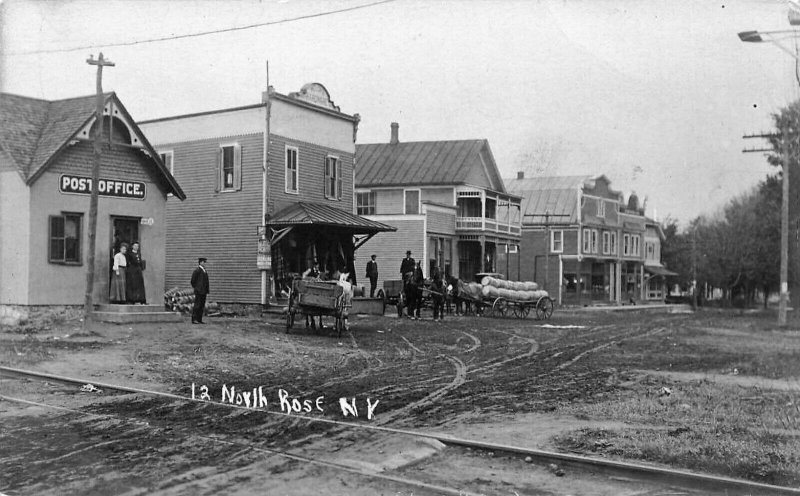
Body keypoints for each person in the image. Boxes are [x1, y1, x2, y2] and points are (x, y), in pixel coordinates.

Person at [191, 257, 210, 324]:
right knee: (197, 305)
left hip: (203, 291)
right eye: (204, 262)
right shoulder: (197, 270)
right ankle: (194, 319)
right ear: (201, 262)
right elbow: (193, 281)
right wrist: (197, 288)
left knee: (201, 305)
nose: (205, 264)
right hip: (199, 291)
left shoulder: (204, 271)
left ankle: (199, 319)